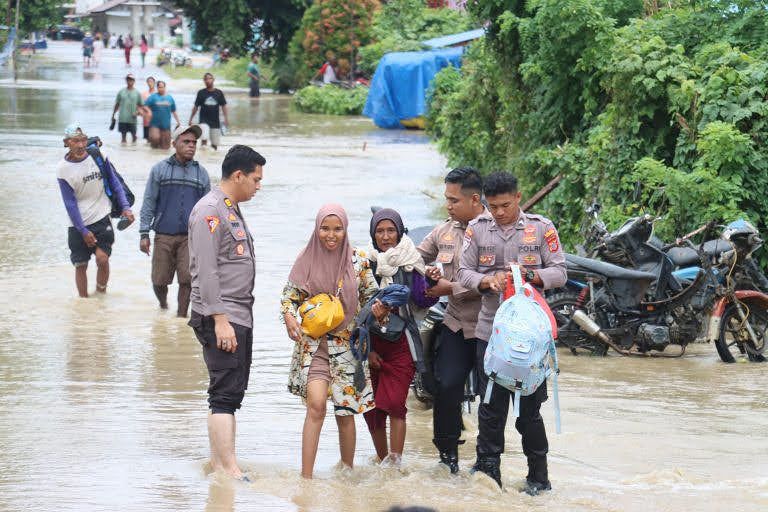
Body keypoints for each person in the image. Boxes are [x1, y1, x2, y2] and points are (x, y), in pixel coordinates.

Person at [457, 171, 566, 494]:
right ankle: (489, 477)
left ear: (518, 197)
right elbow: (463, 271)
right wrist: (485, 282)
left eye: (505, 205)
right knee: (490, 408)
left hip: (531, 339)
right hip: (490, 333)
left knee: (529, 412)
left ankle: (538, 478)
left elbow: (560, 271)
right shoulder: (476, 229)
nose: (500, 212)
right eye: (493, 207)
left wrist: (530, 275)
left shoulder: (541, 228)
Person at [281, 205, 383, 479]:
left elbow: (373, 297)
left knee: (345, 412)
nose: (331, 234)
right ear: (317, 229)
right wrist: (290, 318)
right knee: (316, 405)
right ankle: (306, 478)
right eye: (325, 228)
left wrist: (379, 312)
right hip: (313, 347)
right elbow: (289, 297)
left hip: (348, 347)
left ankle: (347, 474)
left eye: (337, 229)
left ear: (345, 230)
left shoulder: (358, 261)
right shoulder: (305, 258)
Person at [188, 144, 266, 480]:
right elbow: (205, 271)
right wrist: (220, 320)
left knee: (230, 393)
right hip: (222, 316)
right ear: (238, 175)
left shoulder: (229, 207)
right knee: (224, 393)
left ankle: (221, 461)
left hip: (237, 313)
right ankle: (227, 467)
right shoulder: (209, 210)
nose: (258, 186)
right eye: (256, 179)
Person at [416, 167, 487, 474]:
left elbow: (494, 279)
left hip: (488, 325)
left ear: (474, 200)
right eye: (446, 199)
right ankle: (447, 458)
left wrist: (451, 287)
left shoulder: (493, 231)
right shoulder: (444, 231)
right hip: (455, 322)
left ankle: (488, 460)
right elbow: (416, 257)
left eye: (454, 200)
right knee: (445, 386)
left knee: (492, 393)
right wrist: (426, 272)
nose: (448, 205)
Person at [363, 208, 435, 467]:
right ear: (373, 234)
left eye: (390, 230)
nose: (385, 236)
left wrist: (430, 283)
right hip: (370, 343)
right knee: (372, 409)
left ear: (399, 231)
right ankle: (382, 463)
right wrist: (366, 350)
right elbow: (355, 307)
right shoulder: (364, 263)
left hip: (401, 342)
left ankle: (395, 463)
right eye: (380, 231)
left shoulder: (410, 261)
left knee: (394, 402)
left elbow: (422, 299)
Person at [56, 123, 135, 297]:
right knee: (81, 265)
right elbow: (70, 203)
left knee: (102, 259)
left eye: (83, 140)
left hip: (101, 217)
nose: (81, 145)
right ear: (66, 142)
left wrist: (126, 207)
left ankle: (100, 295)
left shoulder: (98, 155)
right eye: (75, 141)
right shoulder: (63, 169)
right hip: (77, 224)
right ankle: (84, 303)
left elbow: (115, 183)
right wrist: (82, 230)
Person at [139, 125, 210, 317]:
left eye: (194, 143)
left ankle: (181, 317)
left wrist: (210, 237)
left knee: (187, 280)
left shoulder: (201, 174)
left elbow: (209, 210)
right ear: (174, 143)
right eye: (186, 142)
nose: (191, 146)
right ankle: (163, 305)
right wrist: (144, 233)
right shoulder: (159, 170)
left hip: (190, 237)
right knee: (159, 280)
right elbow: (148, 202)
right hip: (163, 234)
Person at [189, 73, 229, 150]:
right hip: (204, 121)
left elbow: (224, 106)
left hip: (215, 121)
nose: (208, 81)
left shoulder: (219, 93)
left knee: (214, 145)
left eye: (210, 78)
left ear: (213, 80)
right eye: (206, 79)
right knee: (204, 140)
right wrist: (191, 119)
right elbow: (196, 106)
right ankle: (203, 157)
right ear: (204, 81)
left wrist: (226, 119)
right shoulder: (201, 93)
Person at [145, 81, 181, 150]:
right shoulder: (153, 97)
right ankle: (152, 155)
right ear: (157, 88)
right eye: (159, 87)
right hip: (154, 124)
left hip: (166, 125)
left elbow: (173, 111)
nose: (160, 89)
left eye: (162, 87)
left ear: (165, 87)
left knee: (166, 148)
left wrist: (178, 121)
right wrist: (149, 111)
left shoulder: (170, 98)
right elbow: (145, 106)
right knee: (155, 138)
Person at [111, 73, 143, 144]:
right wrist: (113, 115)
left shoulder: (137, 93)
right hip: (123, 118)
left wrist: (138, 112)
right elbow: (117, 104)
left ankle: (134, 151)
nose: (130, 81)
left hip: (132, 119)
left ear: (134, 81)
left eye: (131, 80)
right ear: (126, 81)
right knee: (123, 138)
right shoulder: (121, 92)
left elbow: (141, 105)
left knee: (134, 137)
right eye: (128, 80)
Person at [141, 76, 156, 141]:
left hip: (156, 120)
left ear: (154, 83)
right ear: (147, 83)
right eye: (148, 82)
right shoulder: (144, 94)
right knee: (147, 139)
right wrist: (140, 112)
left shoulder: (157, 94)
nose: (150, 83)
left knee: (155, 138)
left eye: (151, 82)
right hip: (146, 120)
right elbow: (140, 105)